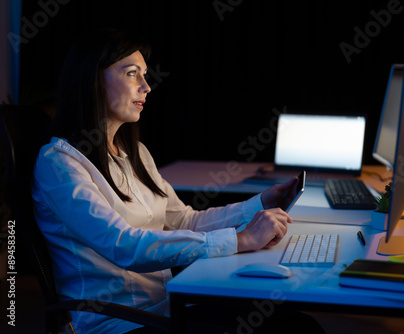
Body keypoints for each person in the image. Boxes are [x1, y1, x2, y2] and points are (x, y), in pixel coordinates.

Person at [31, 29, 324, 333]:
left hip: (165, 306)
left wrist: (260, 205)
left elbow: (185, 220)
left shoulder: (136, 153)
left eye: (144, 75)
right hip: (118, 322)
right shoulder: (60, 163)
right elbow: (123, 245)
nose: (146, 86)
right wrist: (241, 240)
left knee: (296, 323)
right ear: (91, 79)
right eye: (132, 74)